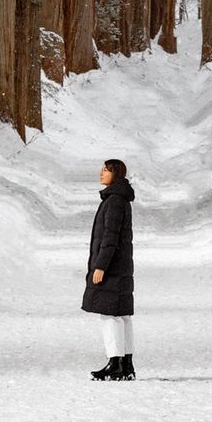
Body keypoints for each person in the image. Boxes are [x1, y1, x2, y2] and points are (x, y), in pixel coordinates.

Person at [81, 158, 135, 380]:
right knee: (122, 316)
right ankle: (126, 365)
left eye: (106, 170)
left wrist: (100, 266)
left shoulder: (114, 201)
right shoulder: (119, 199)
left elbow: (110, 237)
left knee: (110, 315)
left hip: (112, 268)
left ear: (116, 174)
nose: (101, 173)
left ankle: (115, 363)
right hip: (121, 266)